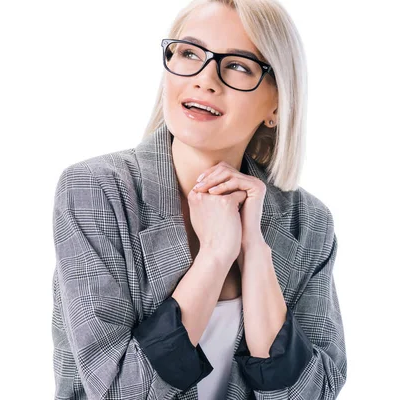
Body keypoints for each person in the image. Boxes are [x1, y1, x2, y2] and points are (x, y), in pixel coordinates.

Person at [50, 0, 347, 399]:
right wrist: (214, 257)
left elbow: (313, 393)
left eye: (239, 65)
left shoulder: (309, 222)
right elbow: (119, 392)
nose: (205, 79)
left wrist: (255, 252)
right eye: (190, 53)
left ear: (276, 103)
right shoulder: (96, 191)